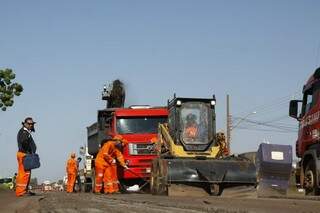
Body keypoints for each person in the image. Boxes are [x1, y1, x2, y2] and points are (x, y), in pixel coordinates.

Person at [16, 117, 37, 197]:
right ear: (24, 124)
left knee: (27, 173)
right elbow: (24, 142)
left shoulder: (26, 132)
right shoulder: (24, 132)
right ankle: (21, 192)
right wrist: (28, 152)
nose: (31, 125)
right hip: (24, 154)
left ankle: (25, 190)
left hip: (25, 154)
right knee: (23, 174)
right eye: (29, 124)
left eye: (32, 124)